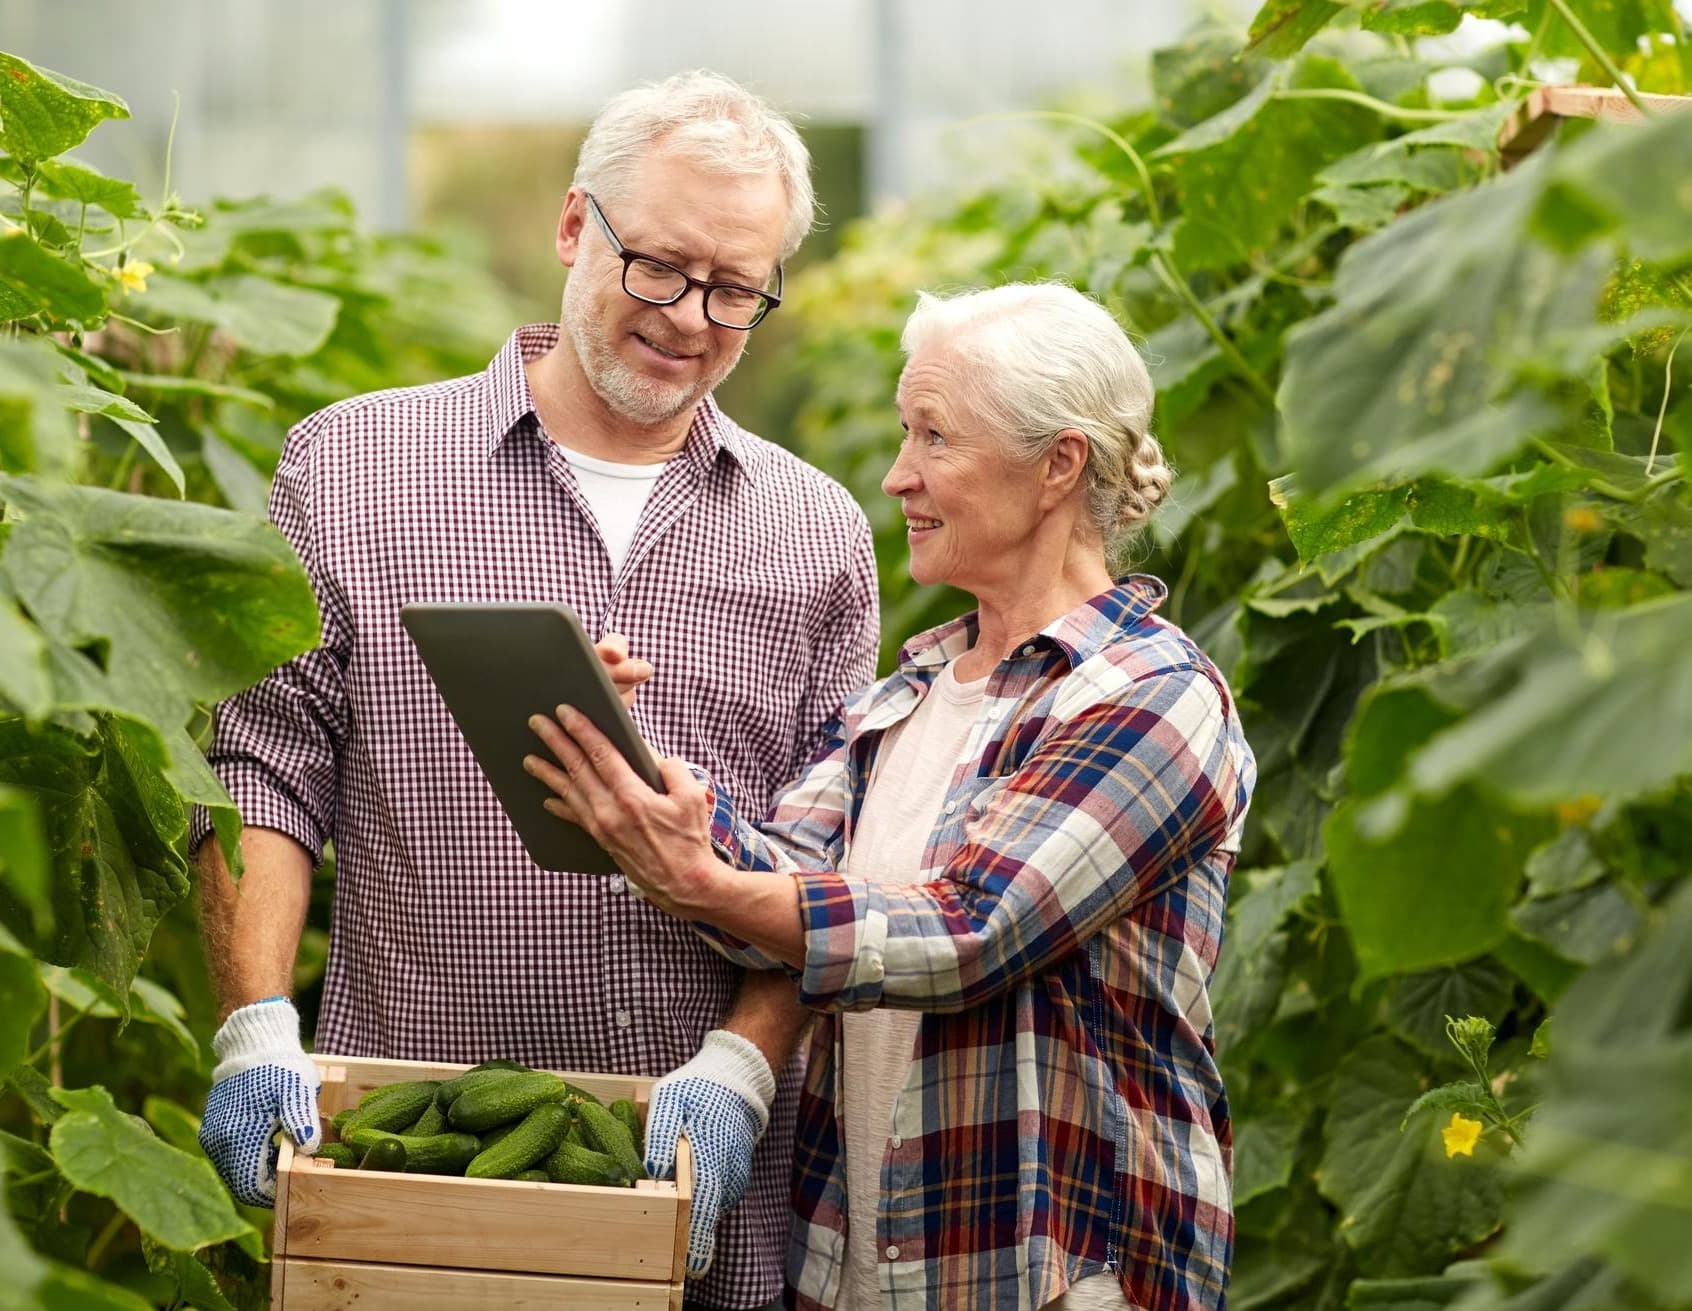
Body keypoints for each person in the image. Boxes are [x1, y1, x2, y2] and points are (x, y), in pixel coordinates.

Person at [192, 70, 879, 1310]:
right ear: (574, 229)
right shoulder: (352, 466)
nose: (690, 317)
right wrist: (255, 1030)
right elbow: (265, 773)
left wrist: (739, 1067)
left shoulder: (815, 530)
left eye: (736, 288)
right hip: (411, 1160)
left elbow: (830, 856)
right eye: (660, 267)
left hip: (689, 1190)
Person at [527, 283, 1256, 1311]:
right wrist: (634, 762)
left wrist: (704, 885)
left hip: (1052, 1279)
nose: (896, 475)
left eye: (933, 438)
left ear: (1058, 465)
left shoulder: (1151, 698)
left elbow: (966, 934)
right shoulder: (906, 697)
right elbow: (781, 894)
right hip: (860, 1266)